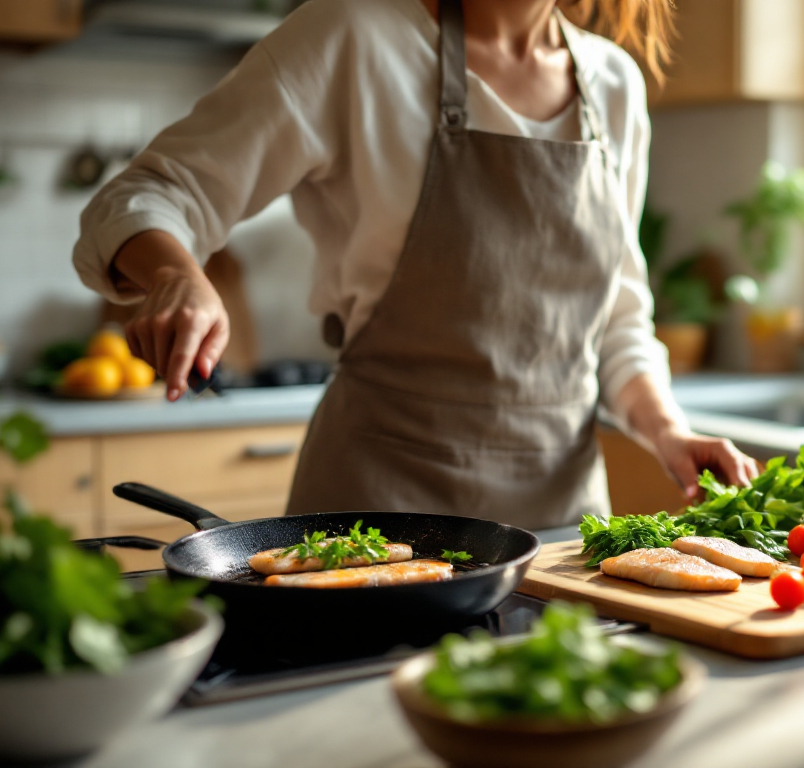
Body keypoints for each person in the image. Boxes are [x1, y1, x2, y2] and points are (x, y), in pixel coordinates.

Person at [73, 0, 759, 528]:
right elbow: (146, 195)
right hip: (376, 516)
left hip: (559, 530)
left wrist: (668, 432)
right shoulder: (354, 38)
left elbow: (616, 320)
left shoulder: (614, 85)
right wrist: (176, 274)